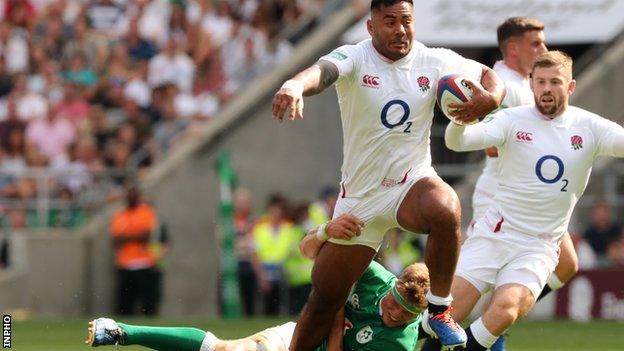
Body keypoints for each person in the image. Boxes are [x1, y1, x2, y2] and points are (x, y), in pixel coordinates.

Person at [271, 0, 505, 349]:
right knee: (324, 302)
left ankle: (439, 309)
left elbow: (489, 75)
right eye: (389, 21)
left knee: (446, 208)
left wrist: (493, 98)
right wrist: (293, 85)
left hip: (411, 183)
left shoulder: (434, 60)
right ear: (371, 26)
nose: (400, 30)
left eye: (406, 21)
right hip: (361, 200)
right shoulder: (355, 56)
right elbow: (322, 72)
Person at [425, 50, 624, 351]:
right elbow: (458, 142)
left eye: (555, 82)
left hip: (538, 245)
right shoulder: (510, 119)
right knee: (441, 319)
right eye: (540, 81)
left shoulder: (590, 127)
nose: (546, 89)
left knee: (504, 310)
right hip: (494, 234)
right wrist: (460, 117)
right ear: (531, 84)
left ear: (570, 87)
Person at [86, 214, 430, 351]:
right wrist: (325, 232)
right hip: (303, 334)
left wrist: (336, 304)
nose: (395, 317)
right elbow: (307, 249)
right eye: (395, 306)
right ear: (394, 286)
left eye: (406, 316)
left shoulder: (399, 342)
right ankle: (122, 331)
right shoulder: (373, 276)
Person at [109, 185, 160, 315]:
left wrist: (126, 236)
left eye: (134, 194)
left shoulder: (146, 212)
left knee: (148, 302)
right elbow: (115, 240)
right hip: (125, 263)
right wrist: (135, 235)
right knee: (124, 304)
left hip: (144, 262)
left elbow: (146, 236)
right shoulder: (120, 215)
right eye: (129, 195)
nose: (131, 197)